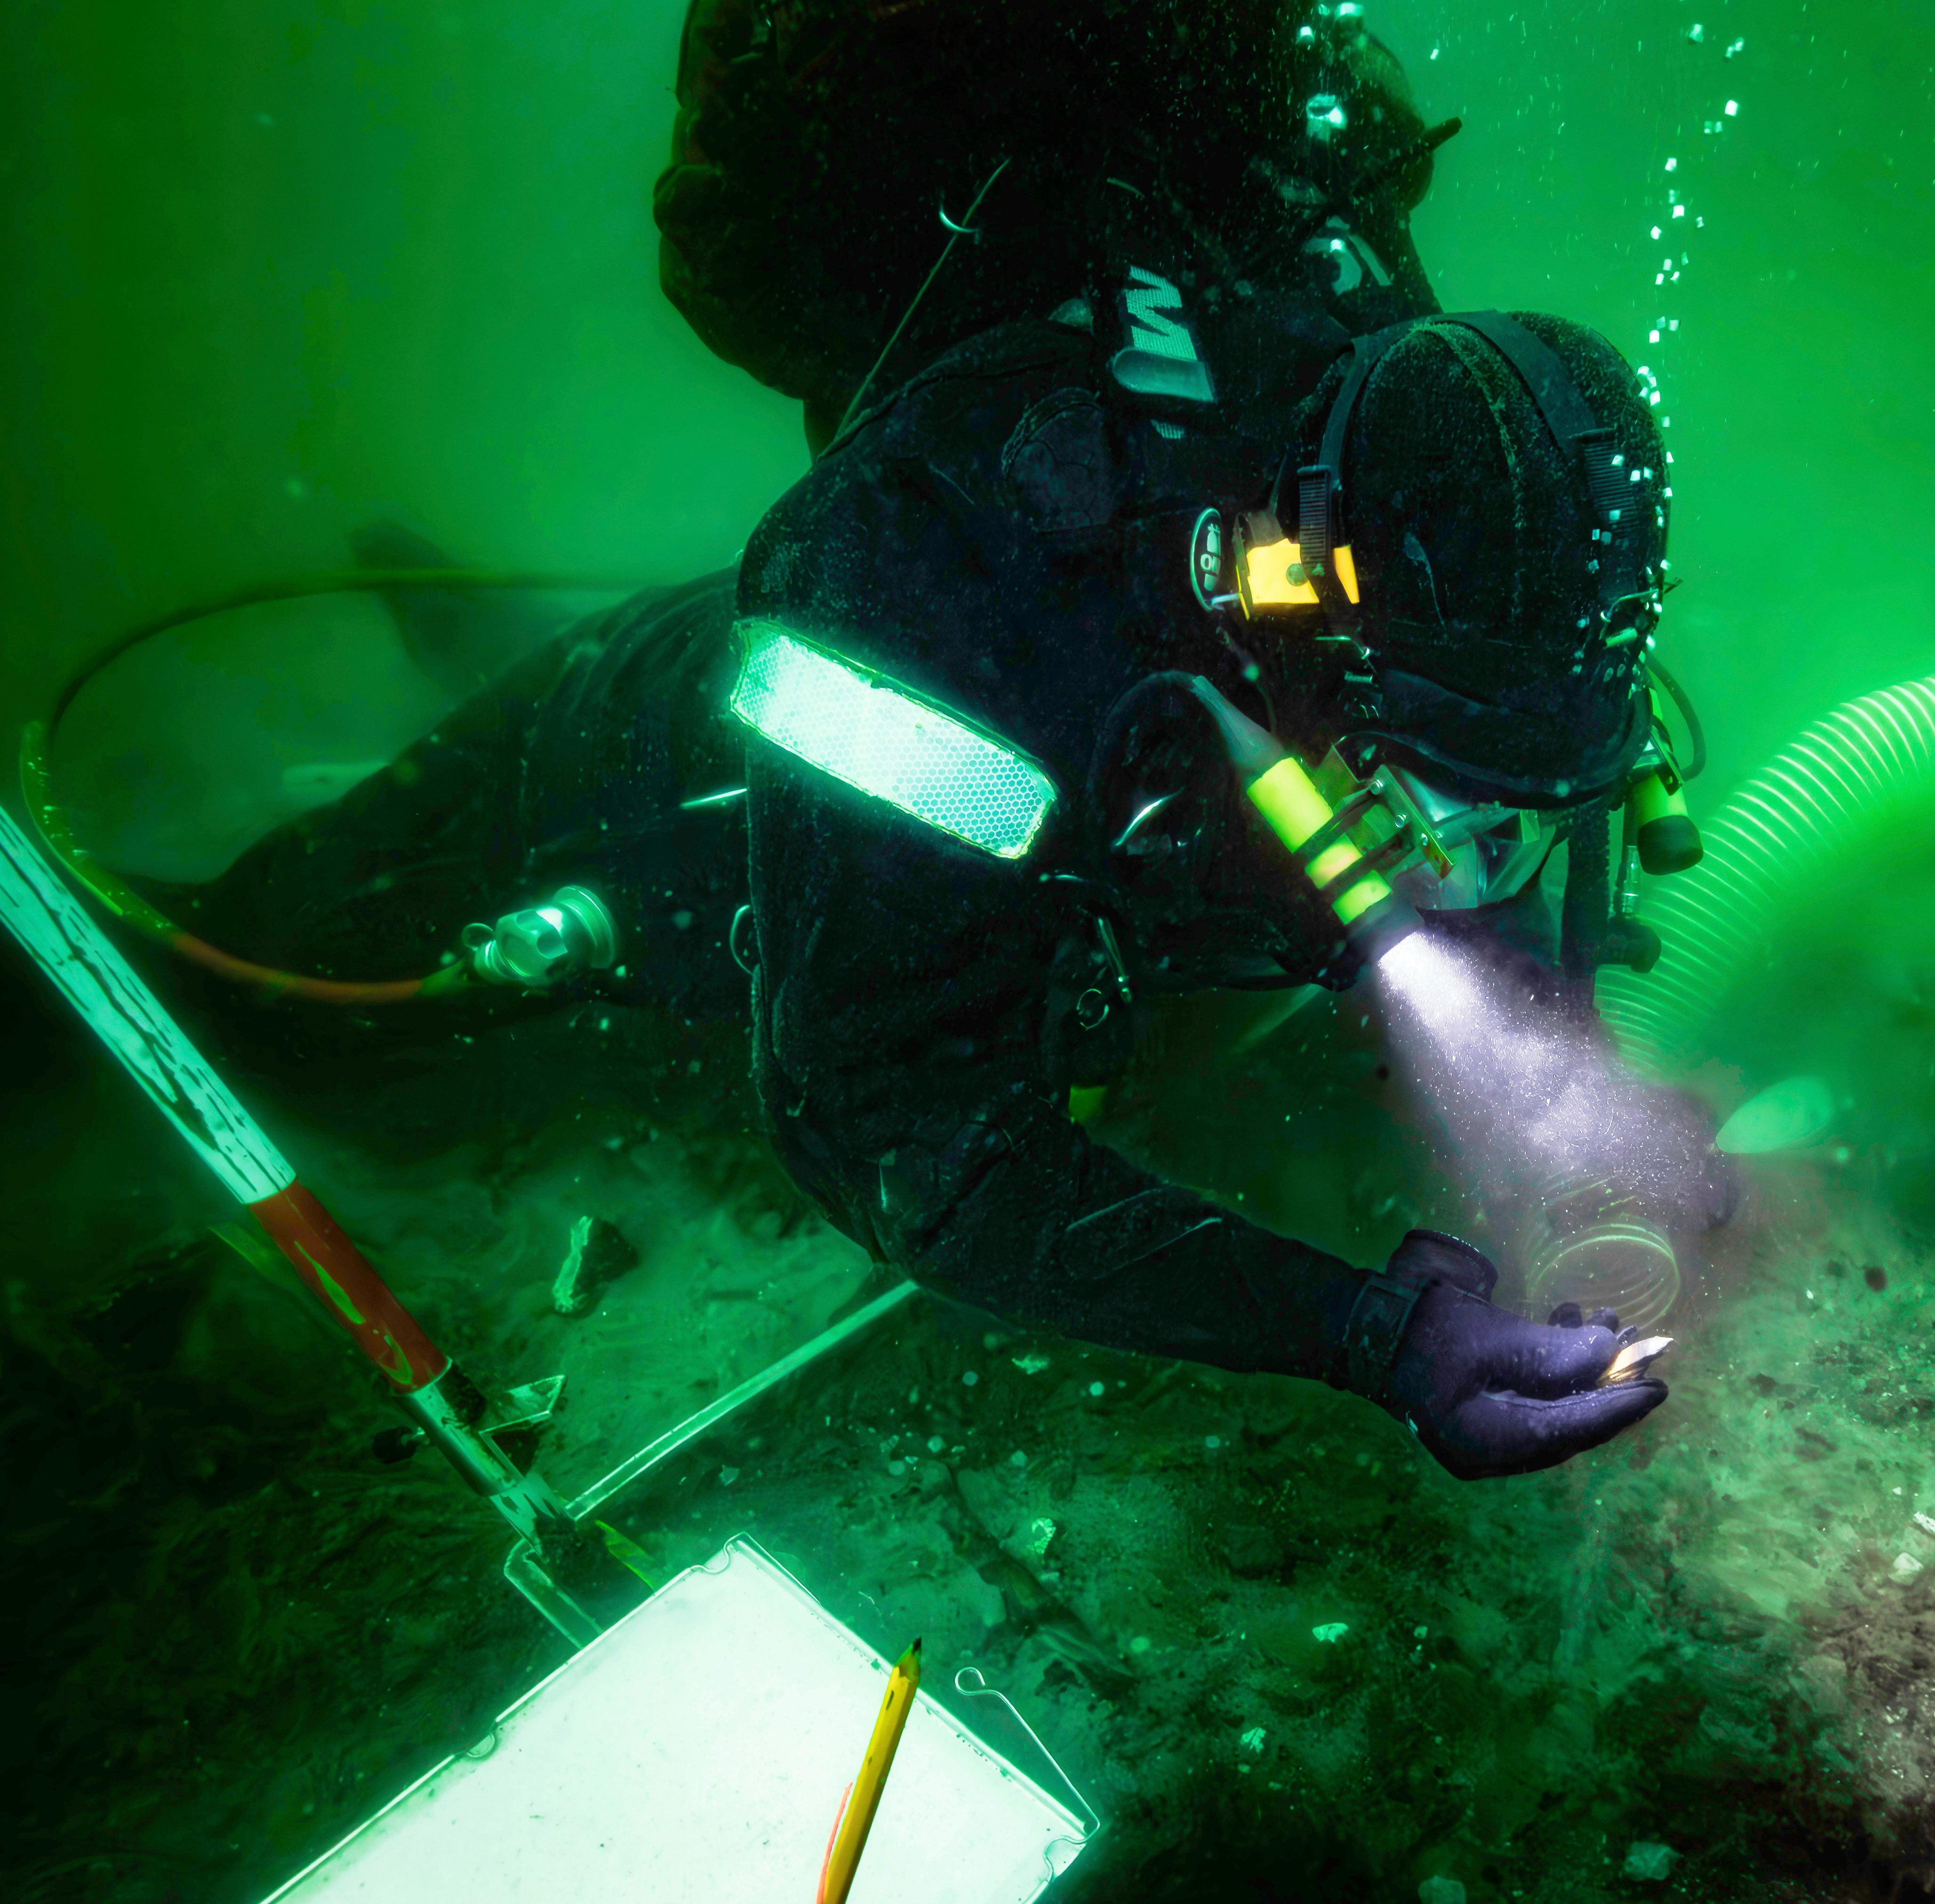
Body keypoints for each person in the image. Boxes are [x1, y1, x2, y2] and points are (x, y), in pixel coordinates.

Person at [178, 1, 1715, 1480]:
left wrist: (1583, 1094)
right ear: (1304, 593)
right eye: (1439, 796)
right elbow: (889, 1125)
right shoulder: (924, 584)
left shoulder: (1412, 461)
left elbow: (1472, 806)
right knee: (272, 976)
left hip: (1024, 746)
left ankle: (447, 634)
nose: (1458, 857)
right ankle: (382, 740)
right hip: (657, 764)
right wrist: (1367, 1334)